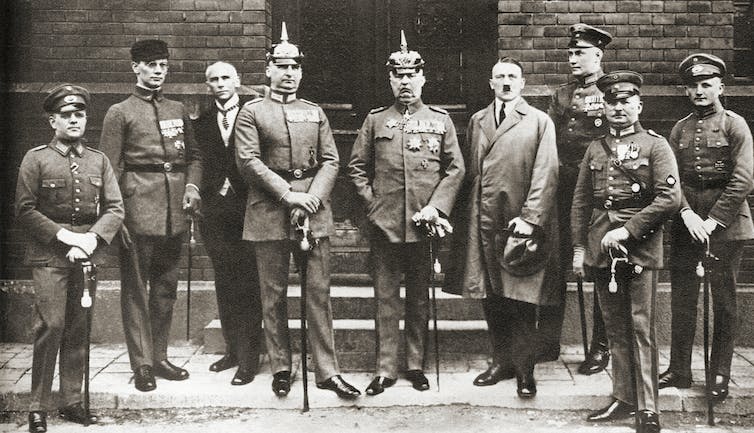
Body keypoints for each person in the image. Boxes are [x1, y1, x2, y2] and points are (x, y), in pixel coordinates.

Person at [234, 23, 360, 399]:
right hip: (269, 210)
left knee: (317, 293)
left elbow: (332, 161)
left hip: (313, 212)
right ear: (268, 69)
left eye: (294, 67)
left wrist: (313, 199)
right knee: (272, 296)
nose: (288, 73)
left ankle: (327, 370)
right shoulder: (251, 112)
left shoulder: (314, 112)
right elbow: (249, 161)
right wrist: (289, 194)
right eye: (281, 66)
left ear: (301, 72)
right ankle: (281, 368)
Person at [348, 31, 464, 396]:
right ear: (390, 80)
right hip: (385, 225)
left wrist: (437, 206)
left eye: (412, 75)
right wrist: (373, 204)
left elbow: (455, 169)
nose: (405, 81)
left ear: (423, 78)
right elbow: (355, 167)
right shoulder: (376, 120)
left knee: (418, 297)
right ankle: (385, 369)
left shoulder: (441, 120)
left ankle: (415, 364)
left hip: (424, 226)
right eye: (398, 75)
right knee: (385, 298)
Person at [571, 71, 681, 433]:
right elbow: (581, 202)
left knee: (640, 329)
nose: (618, 107)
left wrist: (629, 230)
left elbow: (669, 198)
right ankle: (623, 398)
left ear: (639, 105)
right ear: (603, 106)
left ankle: (648, 408)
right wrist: (578, 247)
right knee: (616, 329)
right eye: (612, 101)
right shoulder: (595, 149)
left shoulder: (655, 146)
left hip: (640, 249)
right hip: (602, 248)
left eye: (625, 101)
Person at [445, 57, 558, 398]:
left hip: (518, 221)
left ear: (522, 84)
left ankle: (524, 370)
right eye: (500, 77)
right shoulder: (478, 120)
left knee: (521, 296)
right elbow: (472, 171)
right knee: (492, 294)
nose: (506, 82)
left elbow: (547, 172)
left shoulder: (539, 121)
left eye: (512, 76)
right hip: (484, 220)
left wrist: (530, 217)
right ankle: (501, 361)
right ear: (490, 83)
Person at [15, 84, 124, 432]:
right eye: (66, 115)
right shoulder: (36, 159)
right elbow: (25, 210)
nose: (75, 120)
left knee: (78, 328)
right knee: (52, 326)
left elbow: (115, 208)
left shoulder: (99, 159)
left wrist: (91, 239)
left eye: (79, 115)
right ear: (52, 121)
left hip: (86, 255)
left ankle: (73, 401)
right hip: (49, 256)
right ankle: (38, 407)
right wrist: (67, 238)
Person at [99, 39, 202, 392]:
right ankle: (141, 363)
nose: (158, 71)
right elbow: (108, 168)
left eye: (162, 65)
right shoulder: (120, 112)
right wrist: (117, 217)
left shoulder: (177, 109)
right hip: (137, 210)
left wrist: (192, 188)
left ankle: (159, 356)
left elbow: (195, 158)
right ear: (135, 68)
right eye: (151, 65)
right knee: (136, 291)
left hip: (175, 211)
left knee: (165, 289)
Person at [659, 54, 754, 401]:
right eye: (693, 86)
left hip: (726, 227)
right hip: (688, 224)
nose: (699, 91)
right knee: (683, 300)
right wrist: (685, 213)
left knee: (724, 302)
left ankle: (719, 374)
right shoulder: (679, 129)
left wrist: (714, 220)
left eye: (706, 85)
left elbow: (743, 178)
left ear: (720, 87)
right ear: (686, 89)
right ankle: (679, 369)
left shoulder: (735, 125)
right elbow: (671, 180)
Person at [543, 23, 612, 373]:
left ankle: (601, 346)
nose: (573, 58)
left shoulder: (612, 91)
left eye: (580, 53)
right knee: (556, 263)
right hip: (563, 186)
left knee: (598, 261)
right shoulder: (561, 94)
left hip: (598, 189)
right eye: (570, 53)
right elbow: (549, 142)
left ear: (598, 55)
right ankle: (547, 341)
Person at [193, 61, 263, 386]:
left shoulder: (254, 113)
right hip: (215, 211)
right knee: (224, 279)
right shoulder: (202, 121)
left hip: (248, 207)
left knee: (249, 281)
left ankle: (250, 358)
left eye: (225, 78)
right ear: (208, 85)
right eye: (214, 79)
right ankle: (233, 350)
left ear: (237, 80)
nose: (220, 83)